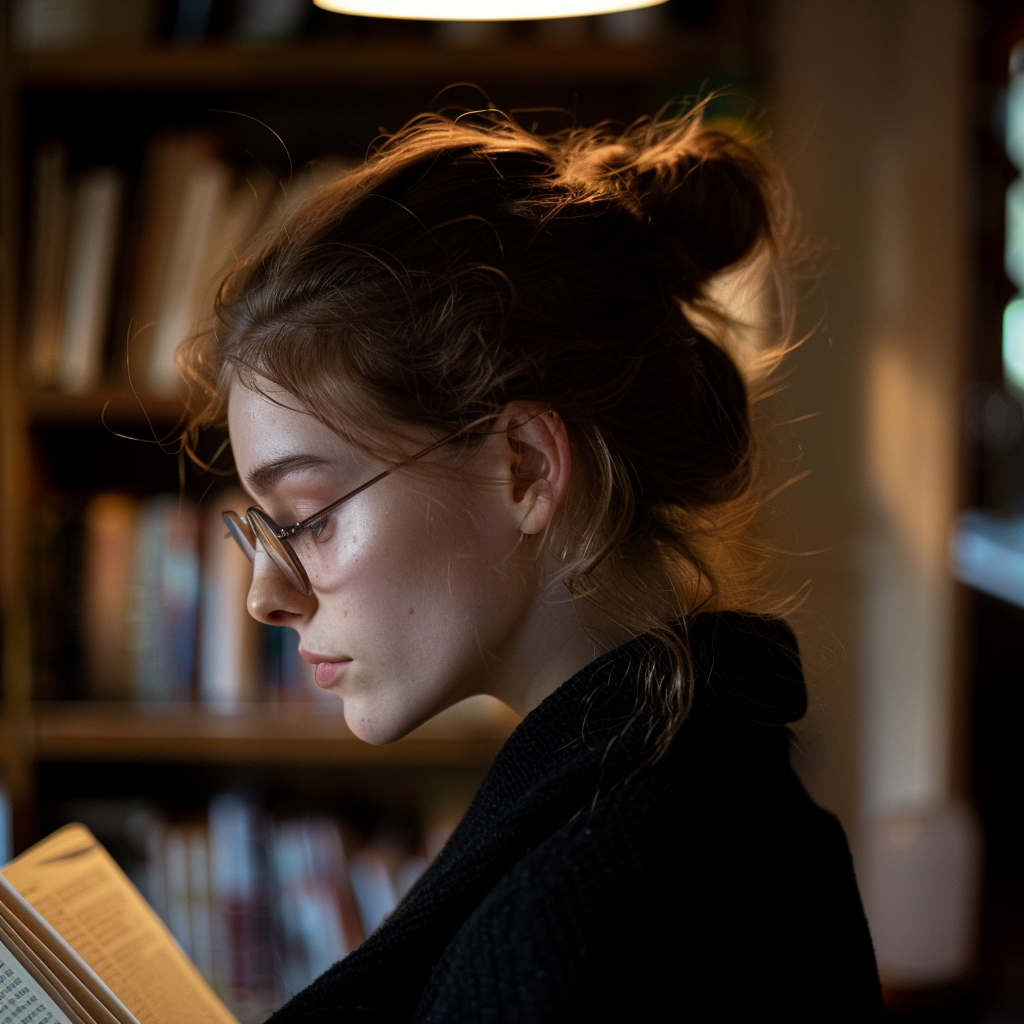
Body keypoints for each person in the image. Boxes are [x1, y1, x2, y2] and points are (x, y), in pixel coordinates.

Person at [180, 108, 883, 1021]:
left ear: (525, 468)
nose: (265, 598)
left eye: (309, 518)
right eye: (261, 531)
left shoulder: (573, 932)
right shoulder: (706, 801)